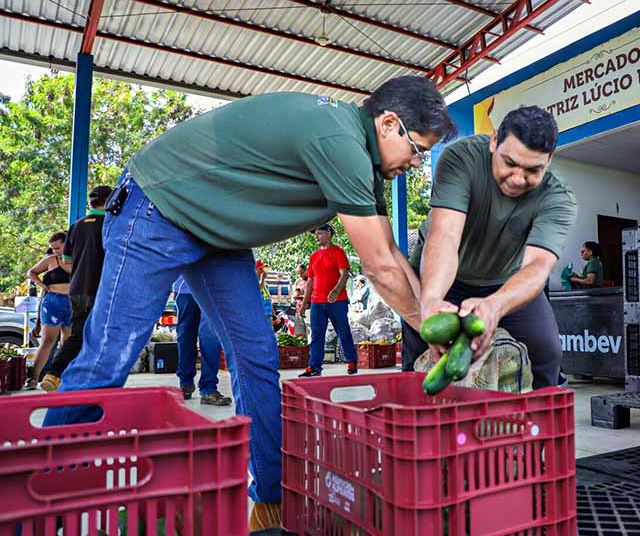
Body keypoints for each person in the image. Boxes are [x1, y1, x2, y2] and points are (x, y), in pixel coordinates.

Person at [43, 75, 456, 534]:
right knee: (109, 356)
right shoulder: (338, 139)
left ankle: (271, 503)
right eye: (418, 150)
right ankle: (38, 493)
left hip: (215, 233)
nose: (417, 163)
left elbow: (393, 254)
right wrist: (433, 331)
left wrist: (434, 317)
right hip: (157, 206)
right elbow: (378, 267)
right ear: (390, 123)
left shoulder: (364, 159)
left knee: (257, 355)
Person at [402, 106, 576, 390]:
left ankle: (543, 425)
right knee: (422, 354)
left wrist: (495, 305)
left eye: (533, 170)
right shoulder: (461, 158)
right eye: (509, 163)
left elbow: (537, 267)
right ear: (494, 141)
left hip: (504, 283)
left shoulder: (558, 198)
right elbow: (445, 236)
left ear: (549, 160)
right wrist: (431, 299)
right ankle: (416, 421)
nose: (518, 179)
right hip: (442, 276)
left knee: (547, 350)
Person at [40, 186, 112, 392]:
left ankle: (54, 374)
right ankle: (94, 380)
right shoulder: (111, 224)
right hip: (101, 289)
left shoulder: (76, 225)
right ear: (109, 201)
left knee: (77, 334)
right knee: (103, 335)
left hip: (78, 288)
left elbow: (67, 261)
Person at [298, 224, 358, 376]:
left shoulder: (338, 252)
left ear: (329, 234)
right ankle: (314, 367)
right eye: (315, 234)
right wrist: (305, 303)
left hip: (337, 302)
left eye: (319, 233)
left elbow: (344, 274)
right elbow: (310, 281)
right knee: (317, 335)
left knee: (343, 331)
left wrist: (336, 291)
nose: (316, 236)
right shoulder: (314, 256)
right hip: (317, 303)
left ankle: (351, 361)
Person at [172, 276, 232, 406]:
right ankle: (185, 382)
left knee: (210, 335)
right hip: (184, 286)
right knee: (186, 336)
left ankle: (208, 389)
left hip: (211, 287)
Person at [27, 231, 71, 389]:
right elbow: (31, 272)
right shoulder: (51, 260)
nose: (55, 251)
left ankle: (57, 377)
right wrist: (43, 285)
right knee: (47, 341)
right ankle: (33, 379)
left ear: (68, 244)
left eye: (57, 247)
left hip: (74, 302)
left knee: (68, 342)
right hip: (53, 301)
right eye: (52, 248)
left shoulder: (79, 258)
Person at [292, 263, 308, 338]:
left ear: (306, 270)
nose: (300, 275)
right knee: (299, 334)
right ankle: (302, 349)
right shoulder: (297, 281)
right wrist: (301, 295)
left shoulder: (312, 280)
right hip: (298, 310)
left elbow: (312, 296)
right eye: (299, 273)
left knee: (310, 332)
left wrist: (302, 295)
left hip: (308, 310)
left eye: (302, 273)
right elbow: (294, 295)